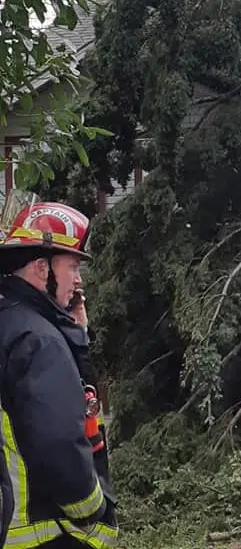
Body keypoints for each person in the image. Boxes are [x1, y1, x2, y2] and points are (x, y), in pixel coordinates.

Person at [0, 195, 117, 549]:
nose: (78, 282)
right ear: (40, 268)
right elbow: (59, 443)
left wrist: (76, 339)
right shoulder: (38, 340)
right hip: (44, 532)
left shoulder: (11, 322)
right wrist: (94, 507)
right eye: (72, 268)